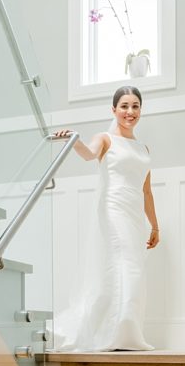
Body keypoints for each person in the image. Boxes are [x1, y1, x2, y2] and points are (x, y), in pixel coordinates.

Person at [49, 86, 160, 352]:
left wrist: (155, 225)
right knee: (125, 265)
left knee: (133, 266)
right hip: (113, 208)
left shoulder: (143, 147)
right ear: (114, 110)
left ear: (140, 110)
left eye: (135, 106)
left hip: (135, 214)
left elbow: (146, 190)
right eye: (124, 106)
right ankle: (119, 332)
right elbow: (89, 153)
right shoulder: (105, 139)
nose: (129, 112)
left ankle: (128, 331)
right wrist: (74, 140)